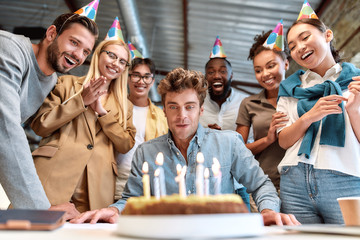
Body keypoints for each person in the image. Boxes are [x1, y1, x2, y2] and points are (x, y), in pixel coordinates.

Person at [71, 67, 300, 226]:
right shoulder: (146, 153)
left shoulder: (229, 142)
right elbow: (131, 199)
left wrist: (268, 210)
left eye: (189, 107)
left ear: (200, 110)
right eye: (173, 107)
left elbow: (260, 185)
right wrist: (113, 210)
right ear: (164, 111)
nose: (182, 115)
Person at [0, 12, 98, 212]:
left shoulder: (51, 80)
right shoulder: (10, 48)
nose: (79, 55)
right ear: (52, 33)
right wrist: (41, 210)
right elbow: (6, 129)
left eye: (86, 52)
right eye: (74, 42)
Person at [31, 39, 136, 216]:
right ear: (98, 55)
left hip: (97, 187)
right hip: (54, 176)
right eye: (111, 55)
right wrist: (81, 101)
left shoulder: (125, 105)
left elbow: (126, 144)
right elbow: (41, 125)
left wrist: (103, 114)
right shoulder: (66, 84)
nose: (115, 63)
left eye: (122, 61)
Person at [277, 12, 360, 224]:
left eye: (305, 37)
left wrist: (353, 111)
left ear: (328, 35)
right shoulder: (290, 88)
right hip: (294, 181)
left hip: (346, 179)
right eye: (292, 46)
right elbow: (284, 141)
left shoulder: (357, 82)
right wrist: (310, 116)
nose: (299, 48)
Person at [236, 27, 289, 192]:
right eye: (258, 70)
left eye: (271, 66)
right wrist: (268, 139)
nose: (264, 74)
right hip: (265, 183)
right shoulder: (249, 103)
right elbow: (239, 149)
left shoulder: (301, 97)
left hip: (300, 186)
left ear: (286, 64)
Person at [200, 38, 250, 207]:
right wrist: (206, 135)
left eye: (222, 71)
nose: (216, 76)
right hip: (204, 183)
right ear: (205, 76)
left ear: (231, 75)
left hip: (238, 184)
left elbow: (249, 143)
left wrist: (225, 138)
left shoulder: (245, 102)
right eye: (211, 72)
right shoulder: (196, 104)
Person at [115, 57, 168, 200]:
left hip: (145, 186)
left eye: (146, 77)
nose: (141, 81)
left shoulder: (162, 116)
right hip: (112, 182)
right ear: (128, 77)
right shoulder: (114, 107)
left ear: (152, 80)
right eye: (136, 75)